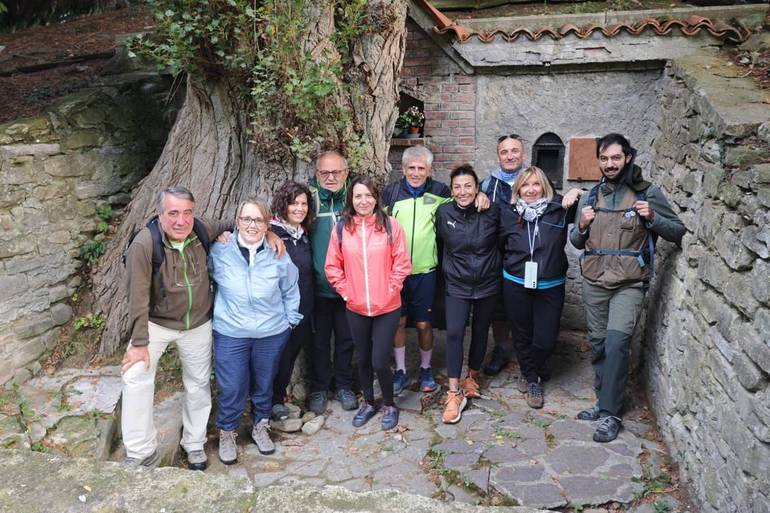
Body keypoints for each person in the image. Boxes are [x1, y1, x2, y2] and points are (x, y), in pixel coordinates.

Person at [570, 133, 685, 443]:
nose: (610, 164)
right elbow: (576, 241)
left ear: (628, 158)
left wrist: (654, 217)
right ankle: (603, 400)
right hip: (595, 280)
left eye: (616, 158)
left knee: (618, 343)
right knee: (597, 345)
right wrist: (580, 225)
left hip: (630, 283)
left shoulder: (647, 194)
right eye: (605, 159)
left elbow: (677, 231)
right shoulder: (590, 196)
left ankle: (610, 414)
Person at [121, 186, 231, 471]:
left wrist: (266, 234)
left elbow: (236, 222)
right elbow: (137, 296)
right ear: (160, 214)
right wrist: (140, 342)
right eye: (173, 213)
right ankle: (140, 450)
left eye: (187, 213)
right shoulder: (145, 244)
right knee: (135, 377)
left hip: (198, 324)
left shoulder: (201, 230)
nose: (180, 221)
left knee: (198, 384)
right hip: (156, 324)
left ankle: (194, 443)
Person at [383, 146, 489, 395]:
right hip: (396, 272)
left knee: (423, 324)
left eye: (421, 168)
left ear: (430, 170)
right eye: (411, 168)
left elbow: (464, 203)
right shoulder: (391, 192)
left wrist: (483, 196)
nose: (416, 173)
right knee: (398, 323)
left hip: (426, 271)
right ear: (403, 169)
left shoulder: (441, 191)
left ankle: (425, 369)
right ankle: (400, 371)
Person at [208, 197, 302, 464]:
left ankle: (261, 425)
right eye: (246, 219)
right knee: (232, 385)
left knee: (264, 384)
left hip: (271, 333)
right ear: (237, 222)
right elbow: (207, 279)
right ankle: (227, 431)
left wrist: (290, 320)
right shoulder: (219, 251)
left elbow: (290, 288)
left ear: (267, 224)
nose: (252, 225)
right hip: (231, 332)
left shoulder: (278, 253)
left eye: (258, 220)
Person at [325, 176, 411, 430]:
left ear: (376, 198)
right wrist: (347, 292)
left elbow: (402, 263)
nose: (364, 201)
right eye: (358, 196)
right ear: (351, 199)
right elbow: (332, 266)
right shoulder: (342, 228)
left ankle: (389, 405)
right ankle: (369, 402)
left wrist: (390, 289)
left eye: (369, 196)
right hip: (356, 306)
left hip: (387, 306)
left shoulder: (391, 226)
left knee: (378, 361)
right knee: (362, 359)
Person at [499, 166, 583, 410]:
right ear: (518, 189)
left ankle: (531, 367)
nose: (531, 190)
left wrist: (577, 190)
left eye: (536, 184)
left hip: (550, 284)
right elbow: (499, 243)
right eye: (525, 185)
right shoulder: (508, 212)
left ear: (544, 186)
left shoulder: (560, 209)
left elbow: (595, 198)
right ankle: (532, 378)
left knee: (546, 339)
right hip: (515, 282)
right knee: (522, 333)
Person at [436, 165, 501, 424]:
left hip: (487, 282)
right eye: (457, 187)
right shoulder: (444, 213)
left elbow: (503, 241)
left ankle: (472, 377)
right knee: (454, 332)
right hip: (457, 284)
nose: (463, 191)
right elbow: (440, 243)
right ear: (451, 190)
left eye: (468, 186)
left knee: (481, 329)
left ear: (477, 188)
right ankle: (453, 392)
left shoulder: (492, 210)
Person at [307, 151, 358, 414]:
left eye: (336, 172)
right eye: (324, 173)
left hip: (349, 288)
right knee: (319, 342)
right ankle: (318, 387)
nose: (330, 178)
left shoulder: (356, 198)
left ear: (345, 173)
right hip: (318, 287)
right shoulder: (308, 199)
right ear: (316, 174)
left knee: (346, 340)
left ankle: (344, 385)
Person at [482, 134, 527, 379]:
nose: (510, 156)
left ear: (523, 154)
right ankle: (501, 349)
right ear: (498, 155)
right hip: (496, 254)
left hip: (526, 254)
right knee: (498, 308)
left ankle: (526, 353)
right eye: (504, 152)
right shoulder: (488, 185)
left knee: (524, 306)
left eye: (514, 151)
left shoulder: (533, 181)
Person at [269, 181, 315, 422]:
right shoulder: (273, 234)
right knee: (277, 357)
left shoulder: (304, 234)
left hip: (304, 308)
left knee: (291, 355)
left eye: (304, 203)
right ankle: (269, 403)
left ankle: (277, 398)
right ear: (283, 205)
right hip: (279, 311)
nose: (299, 208)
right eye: (294, 203)